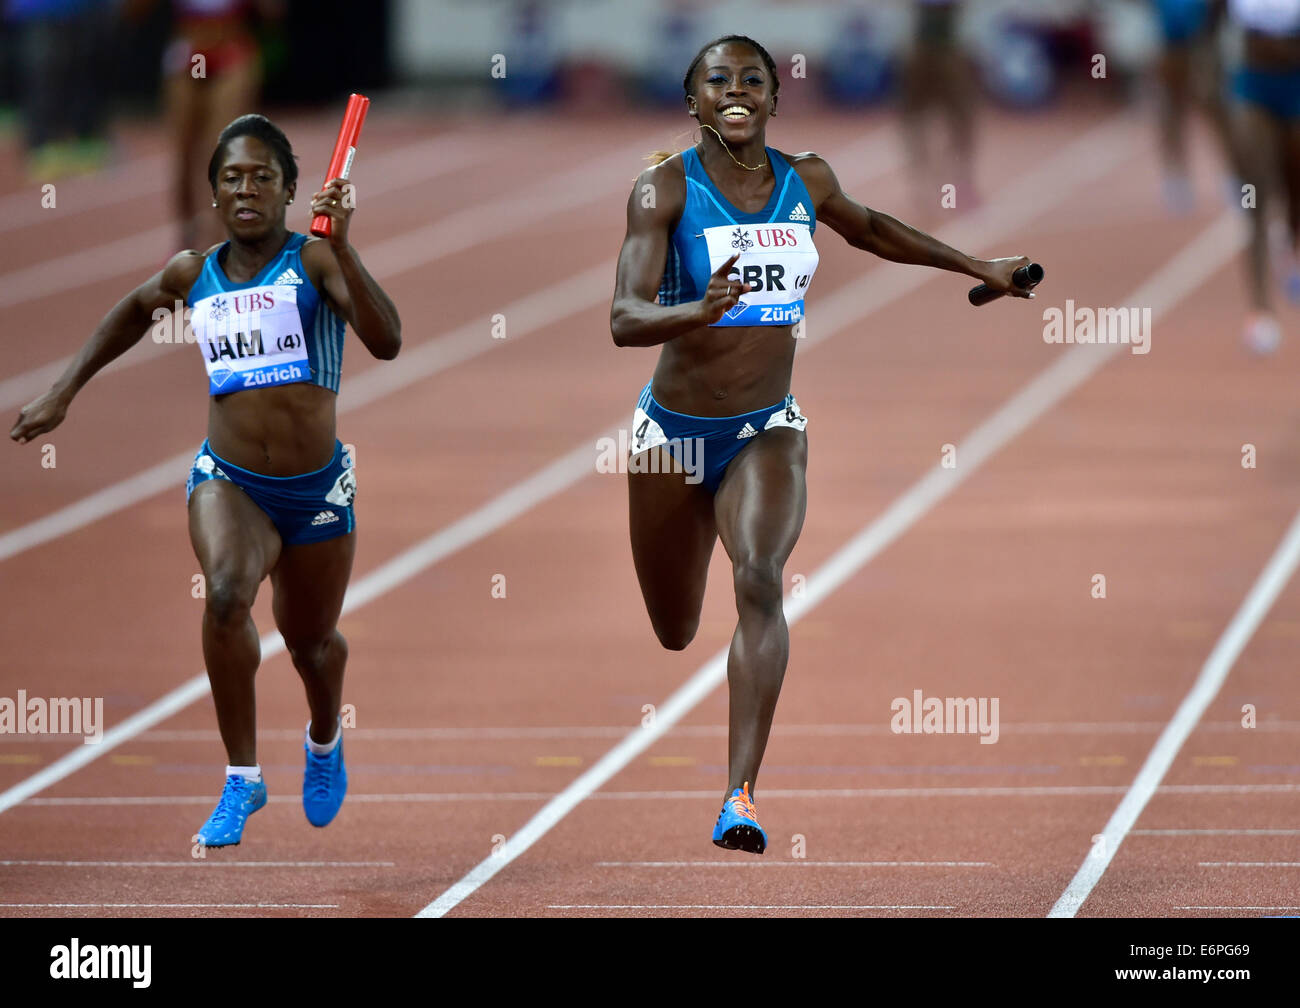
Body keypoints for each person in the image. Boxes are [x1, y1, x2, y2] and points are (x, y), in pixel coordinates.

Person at [609, 35, 1033, 854]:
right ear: (692, 102)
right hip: (673, 438)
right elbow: (625, 317)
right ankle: (713, 700)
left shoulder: (808, 181)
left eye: (753, 80)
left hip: (766, 428)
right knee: (675, 628)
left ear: (775, 96)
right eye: (718, 81)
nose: (737, 91)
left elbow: (872, 228)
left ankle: (740, 797)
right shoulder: (662, 189)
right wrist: (694, 311)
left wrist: (980, 264)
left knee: (761, 578)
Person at [9, 114, 402, 847]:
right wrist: (64, 391)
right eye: (231, 178)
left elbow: (388, 341)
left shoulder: (314, 262)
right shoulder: (196, 272)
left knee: (311, 644)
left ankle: (323, 739)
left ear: (289, 190)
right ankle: (242, 778)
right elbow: (131, 311)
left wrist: (344, 248)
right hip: (231, 481)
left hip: (314, 492)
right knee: (225, 594)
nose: (245, 188)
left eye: (261, 176)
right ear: (213, 195)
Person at [1226, 0, 1300, 352]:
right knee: (1254, 197)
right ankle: (1259, 308)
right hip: (1254, 87)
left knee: (1294, 188)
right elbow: (1210, 29)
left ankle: (1292, 248)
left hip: (1296, 85)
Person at [1151, 0, 1234, 214]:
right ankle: (1176, 180)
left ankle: (1232, 177)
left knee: (1216, 112)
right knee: (1170, 117)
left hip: (1201, 48)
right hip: (1167, 47)